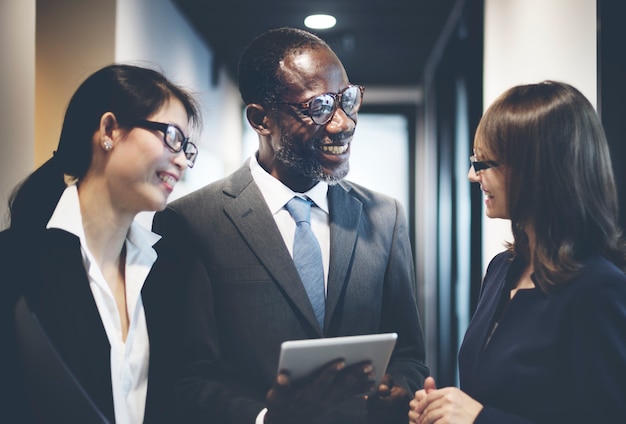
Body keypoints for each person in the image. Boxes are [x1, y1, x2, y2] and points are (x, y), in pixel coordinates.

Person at [152, 27, 429, 424]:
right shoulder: (192, 223)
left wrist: (401, 386)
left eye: (347, 100)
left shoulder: (385, 218)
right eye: (318, 108)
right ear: (261, 119)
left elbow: (410, 356)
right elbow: (186, 379)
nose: (343, 124)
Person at [409, 81, 626, 424]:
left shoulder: (599, 289)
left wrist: (478, 419)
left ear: (536, 170)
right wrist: (440, 412)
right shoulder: (501, 269)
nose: (471, 175)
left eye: (483, 163)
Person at [0, 64, 204, 423]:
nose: (183, 160)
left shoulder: (167, 269)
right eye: (172, 137)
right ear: (109, 129)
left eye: (187, 147)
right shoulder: (17, 262)